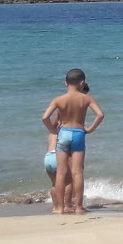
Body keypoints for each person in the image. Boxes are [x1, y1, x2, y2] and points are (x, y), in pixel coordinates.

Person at [41, 68, 104, 214]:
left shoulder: (58, 99)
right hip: (78, 133)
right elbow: (100, 115)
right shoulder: (87, 98)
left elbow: (45, 118)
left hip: (63, 133)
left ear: (65, 83)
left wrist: (53, 130)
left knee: (61, 173)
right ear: (82, 83)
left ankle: (59, 208)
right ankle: (79, 207)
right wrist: (90, 129)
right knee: (77, 173)